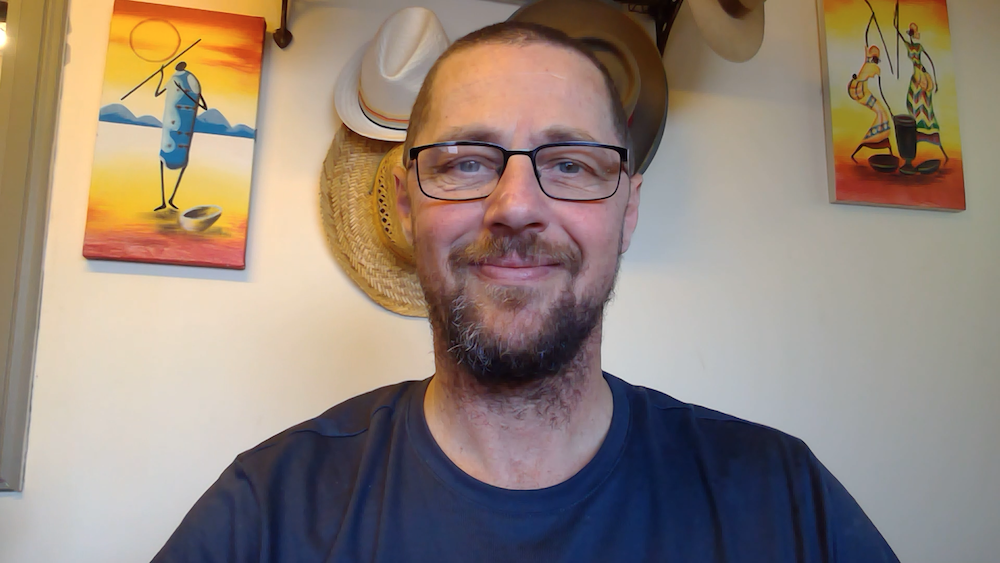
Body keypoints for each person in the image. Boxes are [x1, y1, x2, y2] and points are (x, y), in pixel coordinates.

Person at [151, 22, 899, 562]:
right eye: (466, 161)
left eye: (570, 163)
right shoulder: (265, 514)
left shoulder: (782, 499)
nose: (515, 206)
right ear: (408, 207)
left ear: (628, 212)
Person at [154, 61, 208, 211]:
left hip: (181, 128)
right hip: (171, 126)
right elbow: (157, 93)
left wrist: (183, 91)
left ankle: (170, 198)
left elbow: (202, 104)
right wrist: (161, 75)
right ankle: (165, 200)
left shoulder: (190, 80)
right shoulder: (173, 78)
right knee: (164, 156)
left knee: (179, 158)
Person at [898, 22, 948, 162]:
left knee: (925, 105)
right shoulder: (908, 45)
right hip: (916, 76)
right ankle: (917, 133)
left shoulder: (918, 47)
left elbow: (929, 60)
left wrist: (934, 80)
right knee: (912, 104)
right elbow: (900, 36)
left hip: (921, 75)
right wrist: (896, 25)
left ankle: (928, 130)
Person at [849, 45, 894, 162]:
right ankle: (874, 136)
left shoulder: (869, 65)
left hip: (862, 91)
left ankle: (880, 136)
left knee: (881, 112)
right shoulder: (871, 67)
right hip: (860, 92)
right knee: (881, 112)